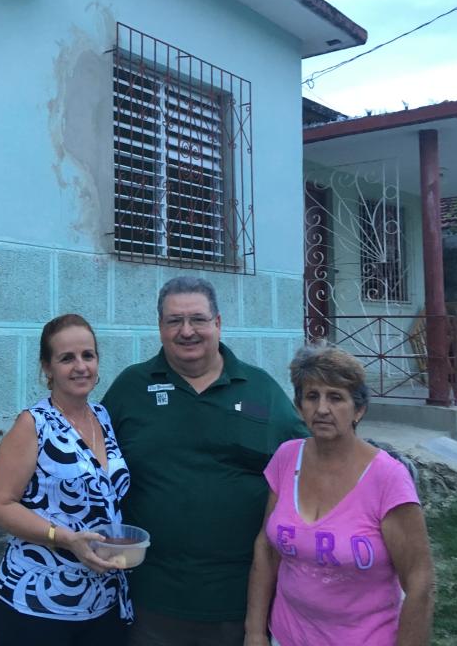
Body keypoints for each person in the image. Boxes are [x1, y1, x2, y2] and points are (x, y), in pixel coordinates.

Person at [103, 276, 308, 646]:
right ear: (160, 327)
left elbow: (310, 462)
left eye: (197, 319)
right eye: (173, 321)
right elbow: (89, 465)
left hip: (240, 603)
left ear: (218, 323)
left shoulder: (261, 390)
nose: (186, 331)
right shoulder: (130, 389)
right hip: (150, 600)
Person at [244, 344, 434, 646]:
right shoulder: (286, 458)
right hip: (287, 636)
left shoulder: (387, 479)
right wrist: (255, 633)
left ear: (358, 409)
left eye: (335, 397)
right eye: (311, 396)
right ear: (299, 406)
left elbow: (420, 580)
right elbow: (267, 549)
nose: (322, 409)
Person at [0, 314, 133, 646]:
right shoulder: (33, 424)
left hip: (101, 599)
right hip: (39, 602)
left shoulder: (103, 417)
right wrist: (64, 538)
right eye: (67, 358)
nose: (80, 366)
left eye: (87, 355)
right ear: (47, 368)